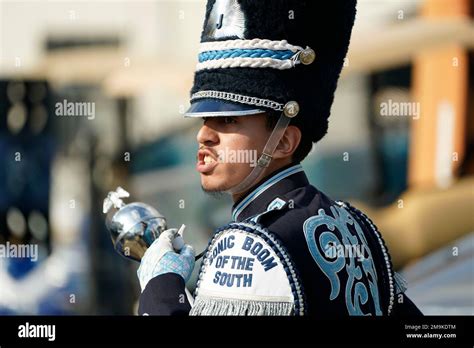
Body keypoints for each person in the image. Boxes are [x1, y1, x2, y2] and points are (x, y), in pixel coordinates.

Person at [137, 0, 422, 316]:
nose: (203, 135)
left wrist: (161, 286)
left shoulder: (245, 247)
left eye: (229, 120)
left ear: (284, 141)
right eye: (204, 120)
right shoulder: (354, 223)